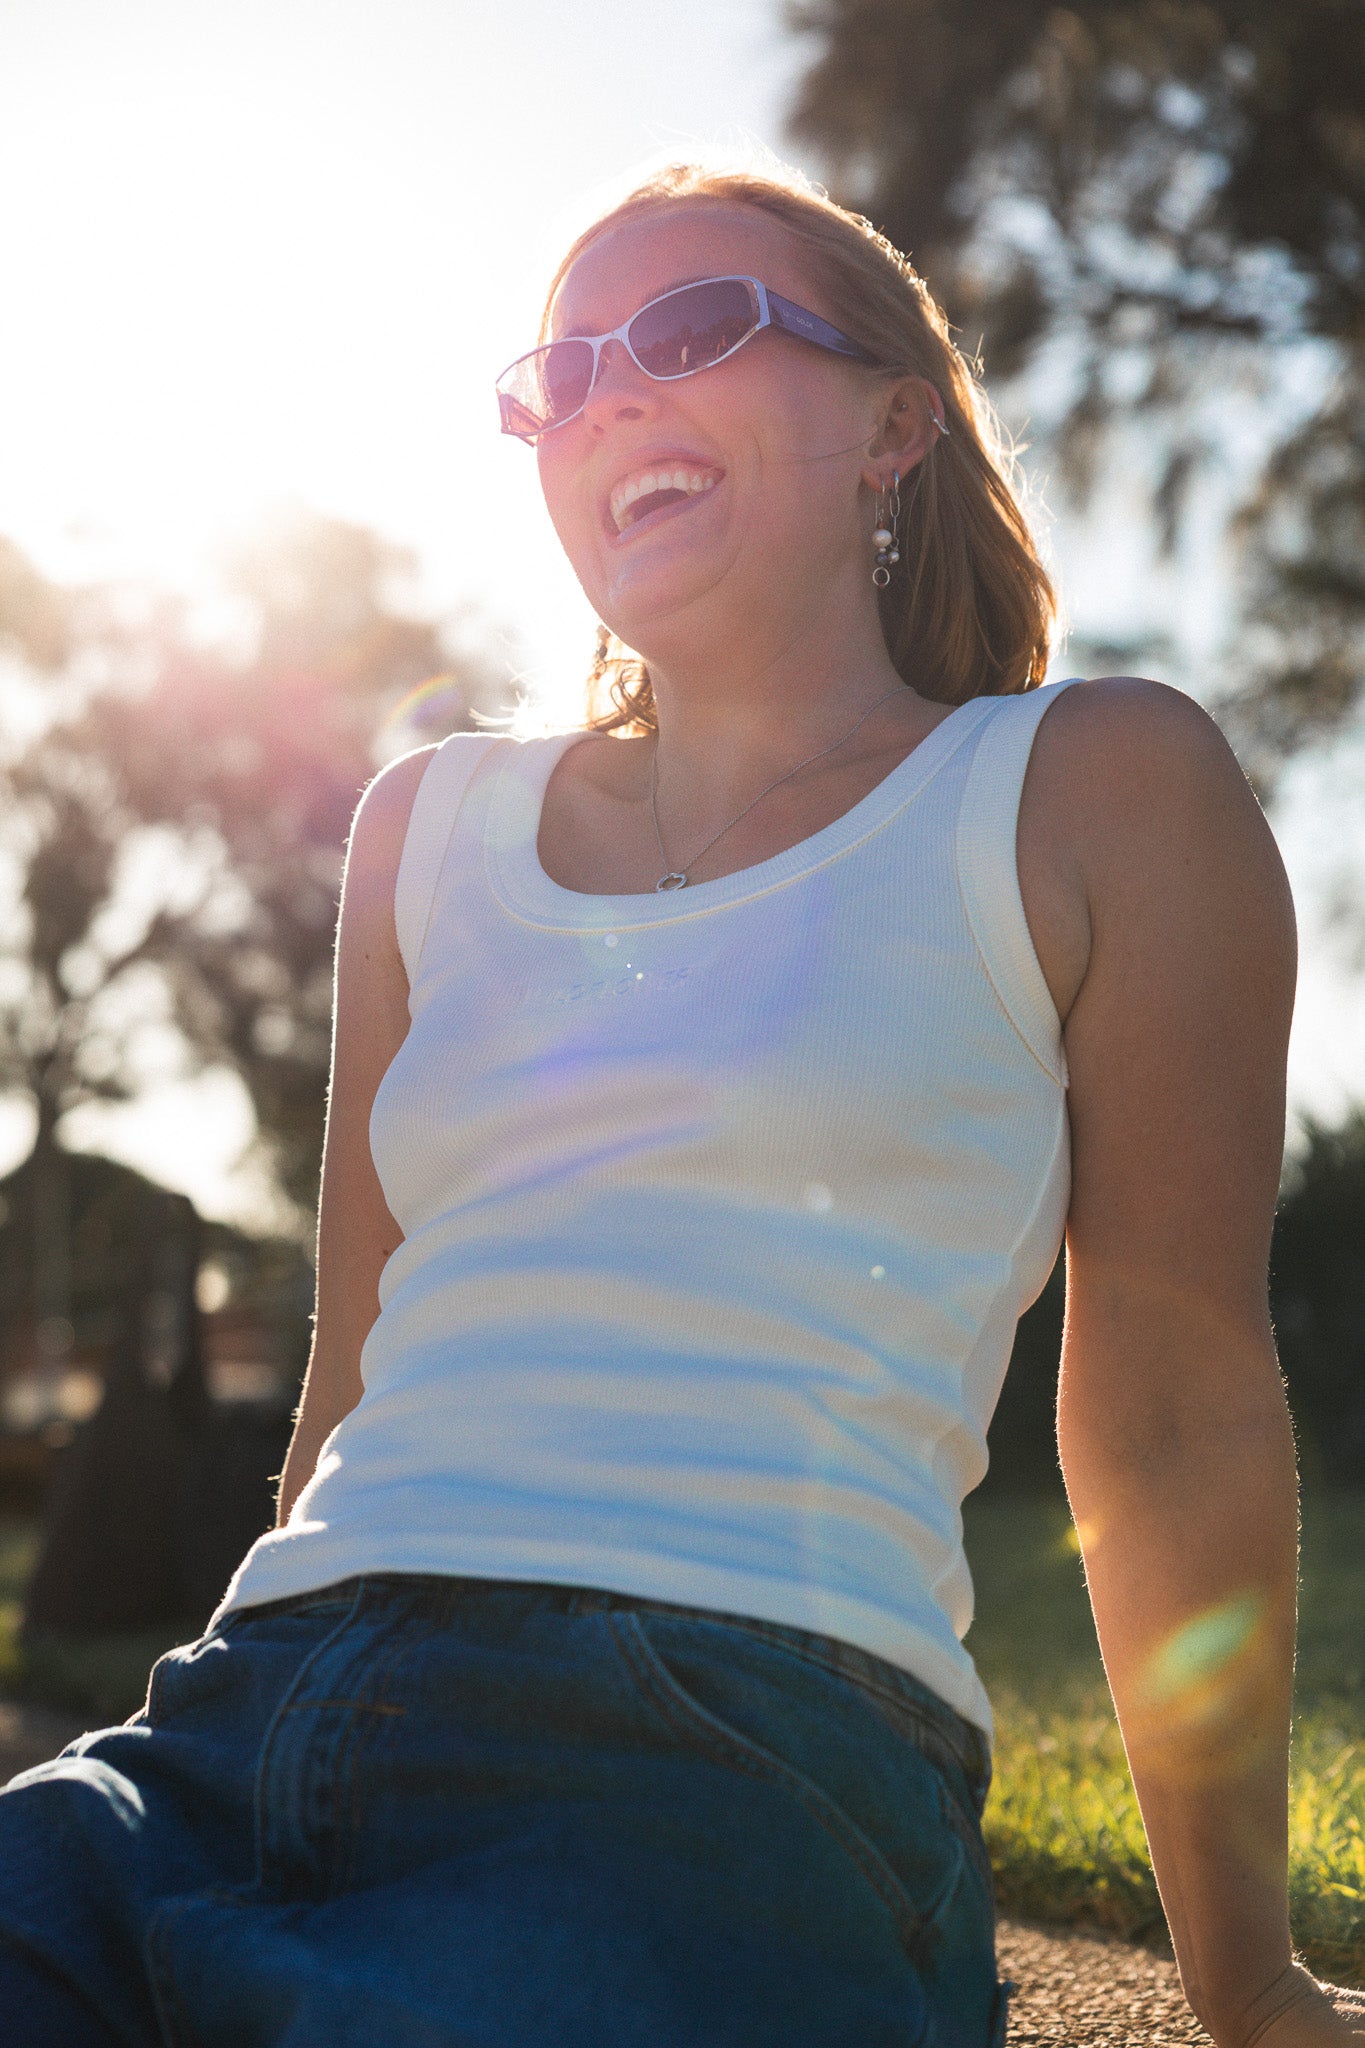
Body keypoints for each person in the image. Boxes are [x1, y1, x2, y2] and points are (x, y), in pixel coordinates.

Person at [1, 156, 1360, 2048]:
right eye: (558, 373)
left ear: (893, 426)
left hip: (727, 1734)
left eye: (689, 327)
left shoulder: (1090, 787)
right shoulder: (424, 826)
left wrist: (1244, 1979)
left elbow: (1173, 1399)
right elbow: (354, 1375)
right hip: (241, 1718)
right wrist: (241, 1671)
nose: (605, 395)